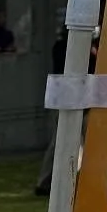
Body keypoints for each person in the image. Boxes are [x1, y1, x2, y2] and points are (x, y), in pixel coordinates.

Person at [35, 24, 67, 196]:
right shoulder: (62, 47)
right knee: (58, 143)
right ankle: (44, 182)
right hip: (66, 100)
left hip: (75, 100)